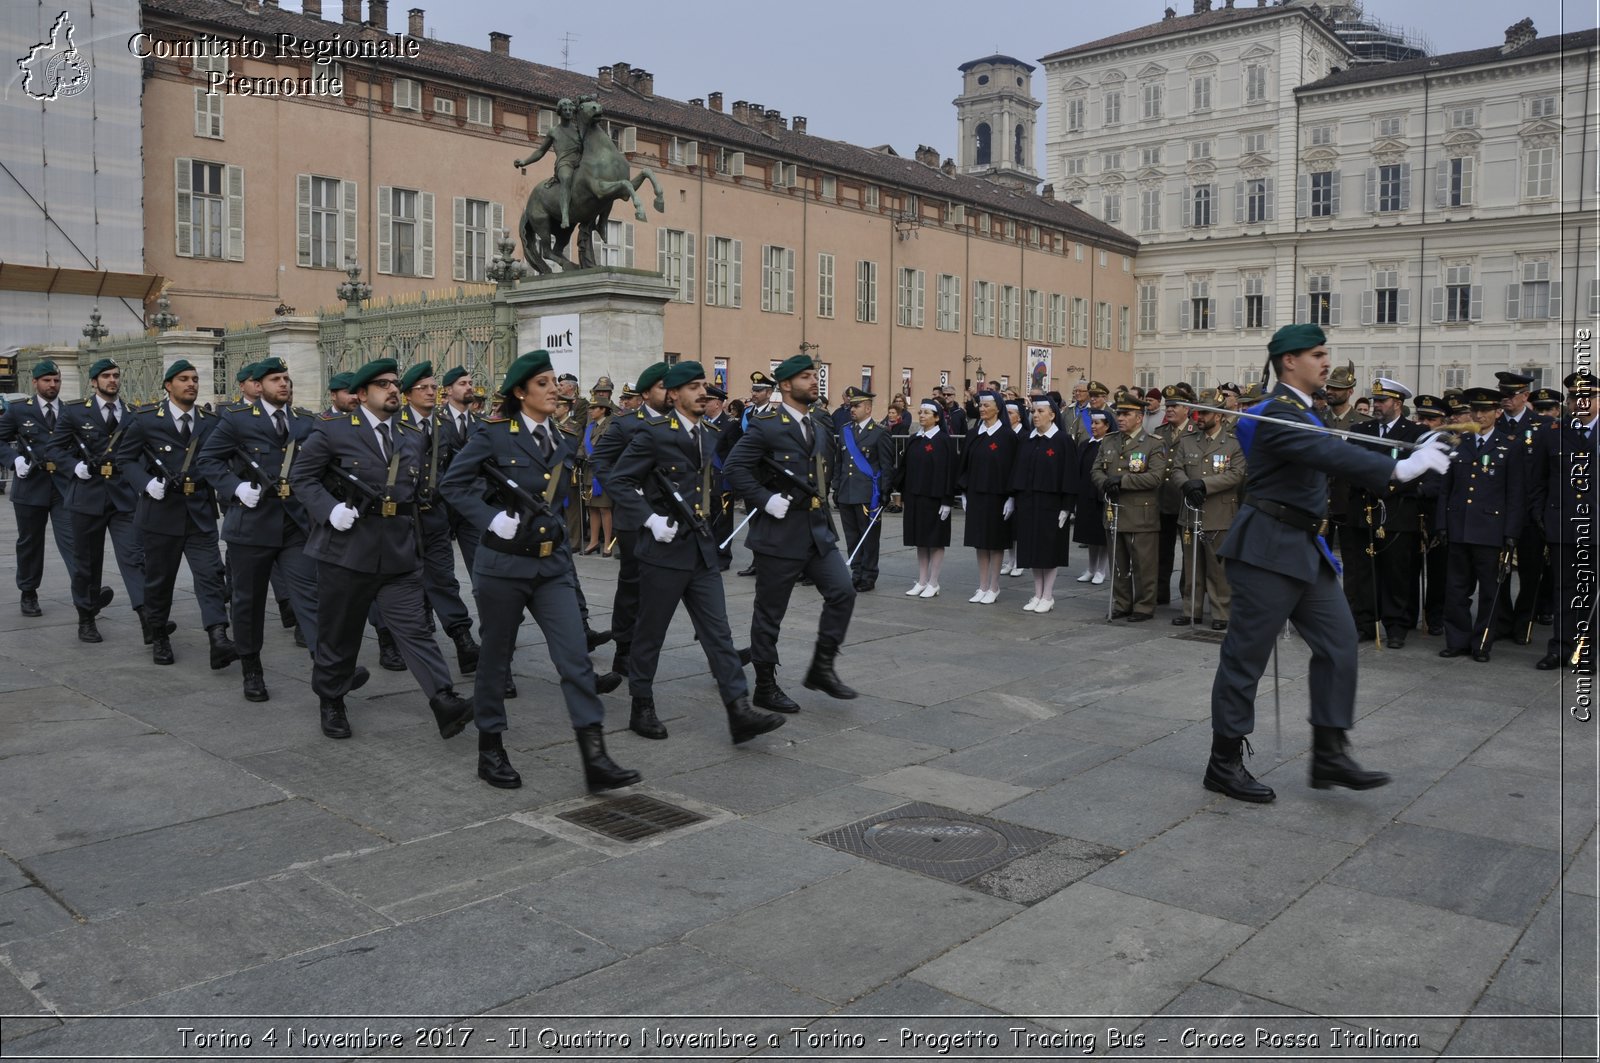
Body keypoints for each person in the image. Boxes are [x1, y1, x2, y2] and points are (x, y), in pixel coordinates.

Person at [1204, 323, 1450, 804]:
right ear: (1289, 361)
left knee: (1340, 644)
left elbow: (1337, 446)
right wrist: (1398, 469)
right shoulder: (1278, 413)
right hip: (1267, 549)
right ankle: (1223, 762)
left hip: (1303, 547)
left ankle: (1330, 754)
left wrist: (1403, 449)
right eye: (1316, 354)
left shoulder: (1304, 411)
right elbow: (1325, 452)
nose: (1324, 362)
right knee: (1245, 659)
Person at [438, 350, 639, 791]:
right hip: (503, 566)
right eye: (544, 383)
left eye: (556, 383)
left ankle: (595, 756)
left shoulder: (565, 438)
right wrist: (489, 517)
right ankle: (490, 749)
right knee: (495, 658)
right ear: (520, 392)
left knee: (574, 657)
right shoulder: (493, 435)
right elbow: (453, 484)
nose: (555, 389)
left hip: (551, 565)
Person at [288, 359, 472, 741]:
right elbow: (302, 478)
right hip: (346, 550)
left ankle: (444, 699)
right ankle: (332, 699)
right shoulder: (333, 431)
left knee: (415, 629)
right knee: (340, 633)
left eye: (394, 384)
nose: (392, 389)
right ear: (361, 394)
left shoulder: (411, 435)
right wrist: (329, 509)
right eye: (382, 384)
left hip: (398, 550)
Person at [607, 360, 786, 745]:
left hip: (701, 549)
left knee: (718, 634)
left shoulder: (708, 433)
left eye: (703, 385)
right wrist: (650, 519)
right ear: (673, 394)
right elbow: (619, 480)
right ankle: (641, 704)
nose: (702, 391)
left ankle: (738, 710)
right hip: (663, 549)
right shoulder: (653, 433)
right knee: (650, 633)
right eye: (692, 386)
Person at [195, 357, 340, 702]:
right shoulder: (237, 420)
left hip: (295, 524)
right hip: (251, 525)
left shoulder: (305, 422)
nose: (284, 384)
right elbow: (208, 460)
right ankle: (252, 668)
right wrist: (235, 488)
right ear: (259, 386)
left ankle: (328, 670)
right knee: (248, 601)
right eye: (276, 379)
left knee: (310, 595)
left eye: (287, 379)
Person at [725, 354, 858, 712]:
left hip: (816, 529)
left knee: (843, 591)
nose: (814, 381)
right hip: (780, 532)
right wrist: (765, 500)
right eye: (805, 377)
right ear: (785, 385)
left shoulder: (818, 423)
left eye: (815, 375)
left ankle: (822, 667)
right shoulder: (766, 425)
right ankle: (765, 686)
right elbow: (735, 468)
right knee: (770, 613)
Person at [115, 360, 236, 669]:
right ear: (169, 385)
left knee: (210, 575)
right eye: (183, 379)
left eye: (194, 379)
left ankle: (218, 637)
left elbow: (221, 461)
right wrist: (145, 484)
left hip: (199, 511)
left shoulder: (210, 421)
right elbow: (124, 459)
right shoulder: (145, 420)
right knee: (159, 581)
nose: (191, 384)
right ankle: (159, 636)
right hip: (160, 512)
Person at [51, 357, 146, 644]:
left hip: (123, 497)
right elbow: (54, 450)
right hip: (87, 496)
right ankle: (87, 617)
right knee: (86, 563)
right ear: (94, 381)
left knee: (134, 557)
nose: (112, 380)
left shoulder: (133, 413)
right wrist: (73, 467)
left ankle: (149, 619)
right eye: (106, 376)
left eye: (116, 375)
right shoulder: (76, 412)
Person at [398, 361, 480, 675]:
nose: (431, 392)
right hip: (402, 519)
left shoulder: (441, 425)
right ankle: (393, 638)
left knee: (443, 579)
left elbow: (451, 469)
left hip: (434, 515)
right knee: (400, 582)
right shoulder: (395, 424)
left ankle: (463, 641)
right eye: (424, 388)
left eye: (434, 387)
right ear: (408, 394)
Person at [592, 362, 671, 681]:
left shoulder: (680, 422)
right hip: (634, 516)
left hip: (670, 517)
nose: (670, 393)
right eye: (664, 387)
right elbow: (600, 461)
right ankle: (624, 649)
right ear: (647, 392)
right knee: (632, 585)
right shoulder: (625, 424)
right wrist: (628, 490)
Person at [1437, 387, 1523, 663]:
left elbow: (1514, 494)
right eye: (1475, 410)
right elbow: (1445, 490)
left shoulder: (1509, 445)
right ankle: (1457, 640)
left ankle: (1482, 642)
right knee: (1456, 589)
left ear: (1498, 413)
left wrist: (1511, 532)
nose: (1479, 415)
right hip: (1459, 525)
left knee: (1489, 591)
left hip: (1490, 530)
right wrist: (1442, 523)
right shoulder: (1459, 443)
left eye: (1486, 410)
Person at [1344, 379, 1427, 648]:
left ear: (1398, 404)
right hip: (1363, 509)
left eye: (1382, 401)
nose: (1375, 406)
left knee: (1396, 572)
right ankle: (1364, 622)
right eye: (1374, 401)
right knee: (1362, 572)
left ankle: (1396, 625)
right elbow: (1350, 464)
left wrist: (1387, 485)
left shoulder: (1414, 433)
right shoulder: (1360, 429)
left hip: (1396, 511)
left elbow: (1418, 470)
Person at [1530, 370, 1598, 673]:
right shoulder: (1552, 431)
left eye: (1586, 397)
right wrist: (1541, 514)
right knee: (1563, 591)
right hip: (1562, 523)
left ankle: (1587, 653)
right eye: (1573, 397)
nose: (1578, 402)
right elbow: (1539, 479)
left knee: (1591, 593)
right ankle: (1559, 648)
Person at [0, 359, 78, 617]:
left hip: (63, 487)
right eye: (47, 380)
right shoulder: (19, 411)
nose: (52, 385)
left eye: (56, 380)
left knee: (74, 541)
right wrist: (14, 460)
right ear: (35, 382)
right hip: (31, 485)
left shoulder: (70, 412)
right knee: (30, 543)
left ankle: (84, 591)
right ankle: (28, 592)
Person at [1169, 391, 1245, 630]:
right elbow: (1176, 469)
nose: (1199, 417)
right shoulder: (1188, 440)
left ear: (1220, 415)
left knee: (1217, 567)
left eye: (1205, 413)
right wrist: (1187, 485)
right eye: (1197, 412)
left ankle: (1221, 612)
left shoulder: (1233, 443)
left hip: (1219, 514)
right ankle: (1191, 610)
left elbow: (1236, 474)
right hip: (1191, 511)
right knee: (1191, 566)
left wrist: (1203, 485)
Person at [1093, 390, 1168, 622]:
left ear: (1139, 416)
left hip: (1140, 514)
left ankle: (1144, 606)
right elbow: (1095, 470)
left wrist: (1123, 481)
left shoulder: (1153, 443)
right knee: (1119, 563)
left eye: (1126, 414)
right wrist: (1105, 483)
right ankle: (1122, 602)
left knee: (1143, 564)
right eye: (1119, 413)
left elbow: (1155, 477)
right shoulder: (1109, 440)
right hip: (1115, 510)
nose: (1121, 418)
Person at [1009, 396, 1077, 612]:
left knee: (1049, 549)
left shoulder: (1063, 441)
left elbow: (1069, 475)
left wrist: (1067, 506)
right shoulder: (1027, 440)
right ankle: (1037, 593)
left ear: (1053, 415)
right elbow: (1018, 470)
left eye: (1040, 411)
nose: (1035, 415)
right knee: (1032, 549)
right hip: (1028, 502)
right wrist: (1013, 497)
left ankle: (1048, 594)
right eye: (1033, 411)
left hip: (1052, 504)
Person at [833, 387, 894, 593]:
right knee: (852, 537)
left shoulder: (880, 433)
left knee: (868, 537)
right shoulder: (845, 430)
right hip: (846, 492)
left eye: (856, 406)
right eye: (851, 405)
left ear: (868, 408)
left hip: (869, 494)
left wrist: (886, 491)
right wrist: (835, 487)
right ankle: (856, 573)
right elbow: (839, 462)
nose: (852, 409)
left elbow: (886, 465)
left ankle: (868, 575)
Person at [959, 391, 1018, 604]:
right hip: (976, 494)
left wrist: (1011, 497)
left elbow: (1013, 468)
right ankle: (982, 585)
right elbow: (964, 464)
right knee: (980, 543)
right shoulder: (974, 434)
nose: (982, 409)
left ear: (998, 408)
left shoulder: (1007, 436)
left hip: (998, 497)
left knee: (995, 543)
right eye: (980, 405)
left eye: (986, 405)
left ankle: (994, 586)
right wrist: (964, 492)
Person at [896, 399, 958, 598]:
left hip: (935, 498)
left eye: (926, 413)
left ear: (937, 418)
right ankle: (922, 580)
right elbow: (904, 468)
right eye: (920, 412)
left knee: (935, 540)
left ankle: (934, 581)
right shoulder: (915, 439)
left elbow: (950, 472)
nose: (921, 415)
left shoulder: (943, 440)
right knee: (920, 540)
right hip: (915, 496)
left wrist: (947, 500)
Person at [1411, 394, 1450, 636]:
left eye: (1431, 419)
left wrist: (1423, 489)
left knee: (1438, 571)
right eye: (1421, 418)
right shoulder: (1412, 441)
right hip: (1413, 511)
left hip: (1437, 513)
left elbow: (1446, 481)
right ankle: (1408, 615)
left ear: (1442, 421)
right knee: (1409, 568)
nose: (1424, 423)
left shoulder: (1450, 443)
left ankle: (1435, 617)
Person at [513, 96, 584, 230]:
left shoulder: (578, 130)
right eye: (565, 109)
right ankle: (565, 215)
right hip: (564, 163)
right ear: (560, 112)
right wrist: (524, 162)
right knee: (566, 178)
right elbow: (540, 152)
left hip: (580, 162)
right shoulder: (554, 132)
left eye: (570, 109)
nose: (568, 112)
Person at [1073, 410, 1111, 584]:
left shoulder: (1109, 444)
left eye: (1098, 424)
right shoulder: (1085, 444)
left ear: (1107, 426)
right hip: (1085, 494)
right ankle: (1091, 568)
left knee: (1101, 536)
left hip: (1100, 495)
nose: (1093, 427)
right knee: (1088, 535)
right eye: (1093, 423)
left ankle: (1101, 570)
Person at [581, 395, 615, 555]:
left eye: (594, 408)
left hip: (603, 473)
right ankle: (594, 541)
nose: (591, 411)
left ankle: (608, 542)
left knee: (604, 508)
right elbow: (583, 445)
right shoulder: (590, 426)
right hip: (589, 472)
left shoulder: (610, 426)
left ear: (603, 410)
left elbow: (612, 447)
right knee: (592, 508)